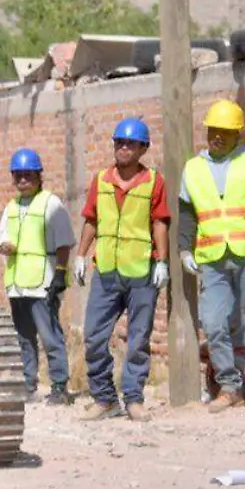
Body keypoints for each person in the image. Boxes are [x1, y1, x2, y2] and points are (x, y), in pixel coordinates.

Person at [178, 100, 245, 411]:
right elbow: (187, 214)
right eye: (213, 130)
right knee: (213, 323)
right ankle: (229, 386)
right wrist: (184, 248)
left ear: (238, 134)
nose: (217, 136)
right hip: (212, 258)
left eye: (225, 131)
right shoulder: (193, 168)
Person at [71, 118, 171, 422]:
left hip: (141, 271)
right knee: (93, 336)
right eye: (119, 143)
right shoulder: (101, 180)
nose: (123, 148)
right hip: (107, 272)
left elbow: (160, 222)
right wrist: (80, 254)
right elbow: (91, 219)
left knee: (138, 339)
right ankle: (104, 399)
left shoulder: (154, 181)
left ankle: (133, 398)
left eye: (130, 144)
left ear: (143, 148)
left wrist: (163, 261)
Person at [0, 148, 75, 405]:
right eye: (18, 175)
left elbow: (64, 243)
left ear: (39, 176)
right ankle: (28, 385)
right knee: (24, 338)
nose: (22, 180)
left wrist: (61, 275)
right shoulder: (10, 207)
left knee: (50, 337)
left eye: (27, 175)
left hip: (42, 283)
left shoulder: (51, 204)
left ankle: (60, 387)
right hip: (18, 285)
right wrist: (5, 246)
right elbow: (2, 238)